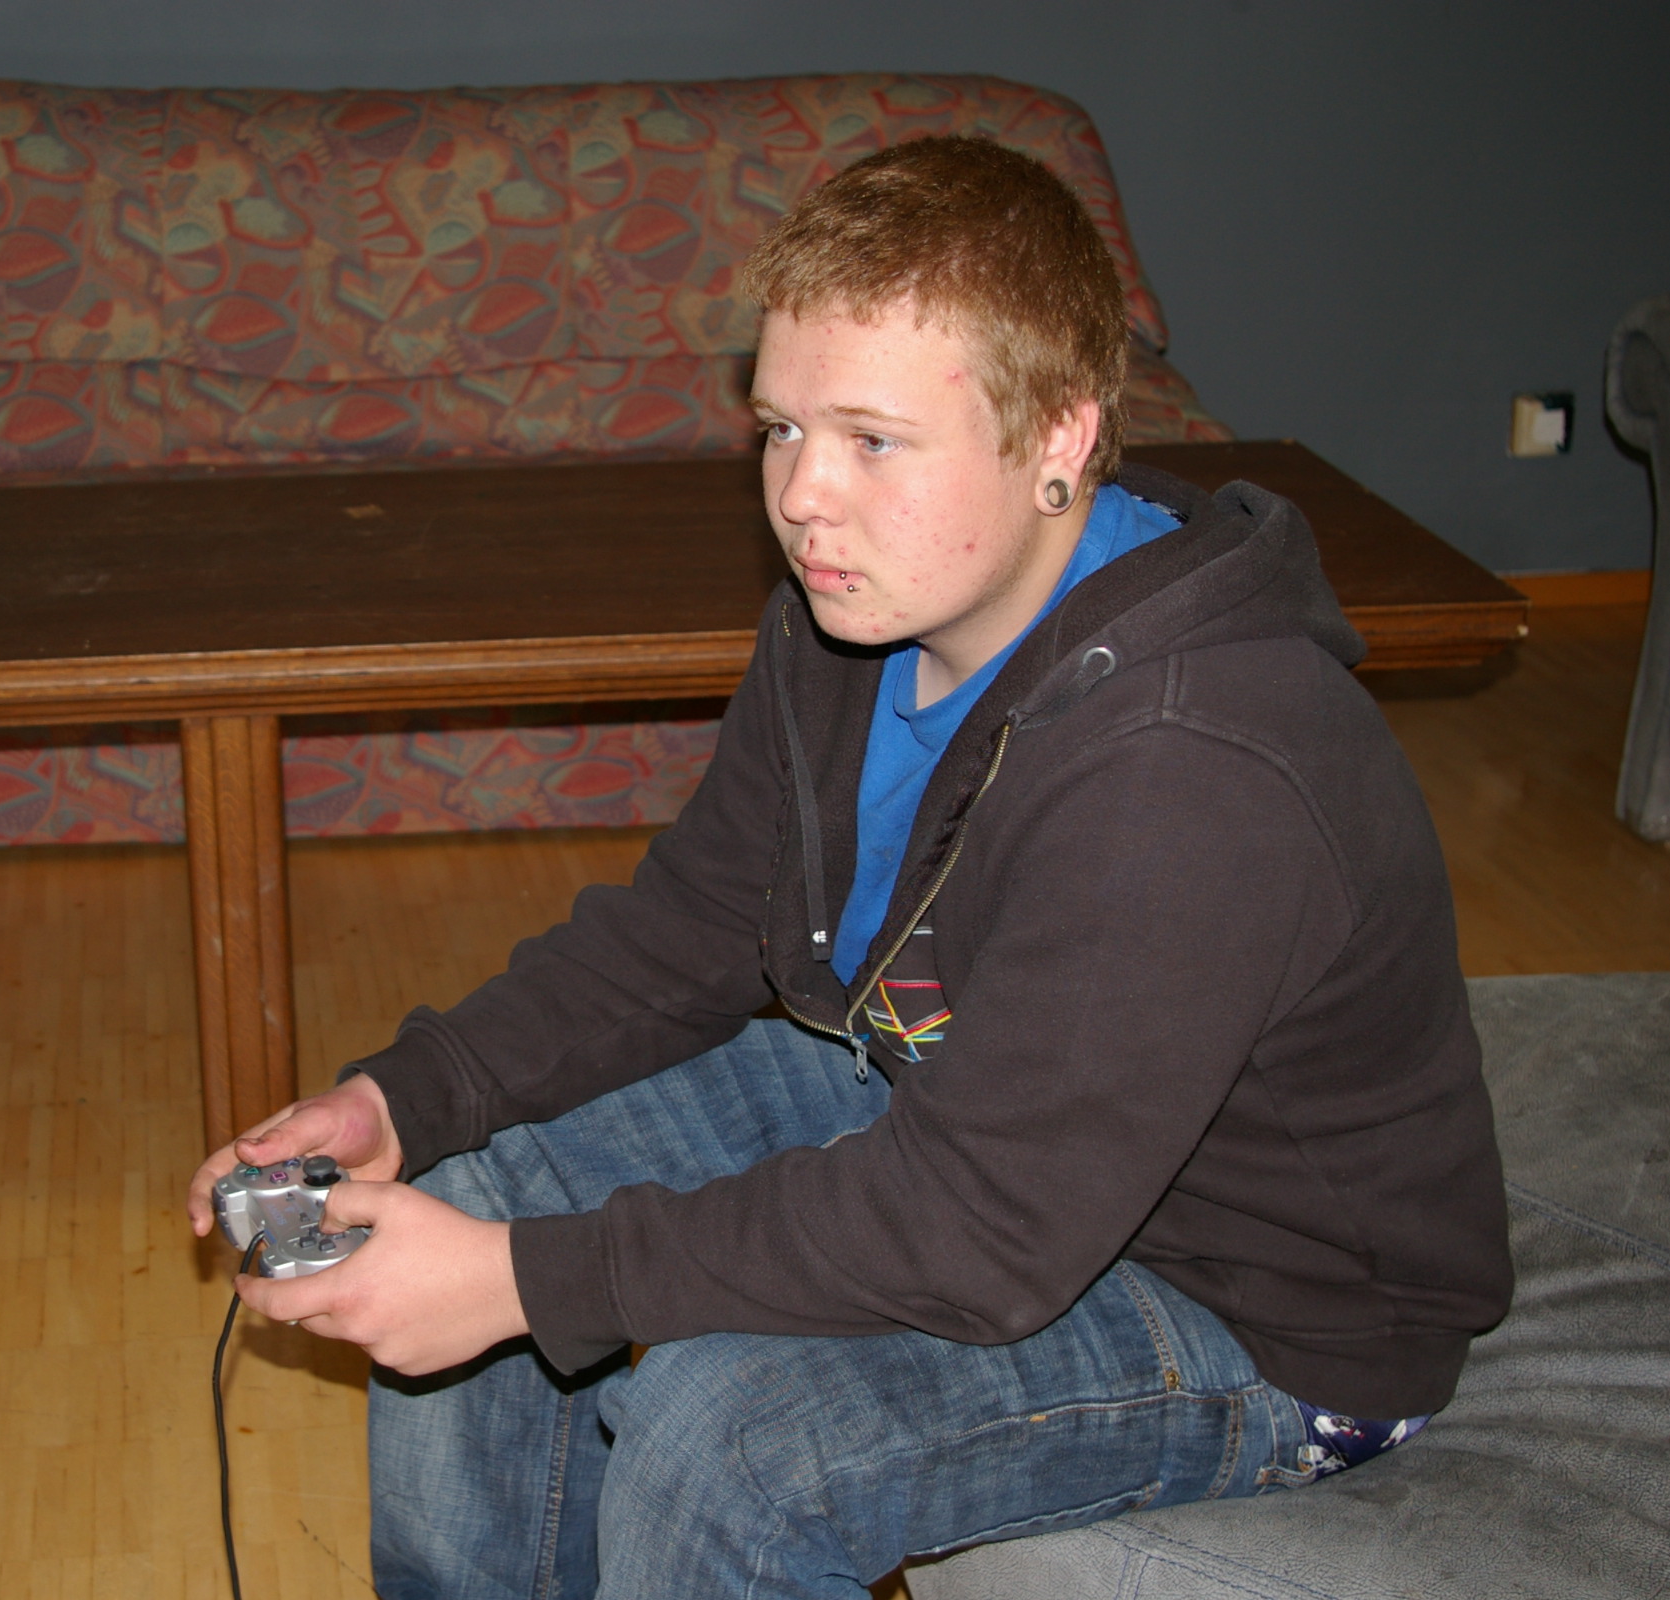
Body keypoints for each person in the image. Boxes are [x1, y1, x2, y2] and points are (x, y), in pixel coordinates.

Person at [187, 136, 1514, 1599]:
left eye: (873, 440)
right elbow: (696, 925)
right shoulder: (854, 624)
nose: (803, 496)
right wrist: (402, 1098)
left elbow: (983, 1231)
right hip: (970, 1111)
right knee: (483, 1175)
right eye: (780, 429)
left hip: (1262, 1315)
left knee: (726, 1439)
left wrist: (520, 1282)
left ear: (1059, 436)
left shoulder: (1194, 768)